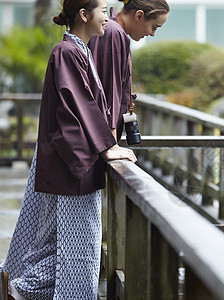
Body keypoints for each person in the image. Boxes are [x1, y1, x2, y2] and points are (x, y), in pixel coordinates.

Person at [0, 0, 137, 299]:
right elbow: (78, 108)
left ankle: (20, 289)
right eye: (103, 11)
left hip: (75, 159)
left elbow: (87, 107)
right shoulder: (66, 52)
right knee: (80, 246)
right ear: (84, 15)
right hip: (74, 162)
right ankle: (21, 289)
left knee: (68, 243)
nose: (107, 18)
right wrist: (107, 147)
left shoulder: (81, 51)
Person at [88, 0, 170, 141]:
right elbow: (108, 92)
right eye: (154, 27)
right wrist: (111, 144)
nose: (153, 34)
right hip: (99, 139)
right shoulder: (113, 32)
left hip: (96, 136)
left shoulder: (113, 31)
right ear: (139, 16)